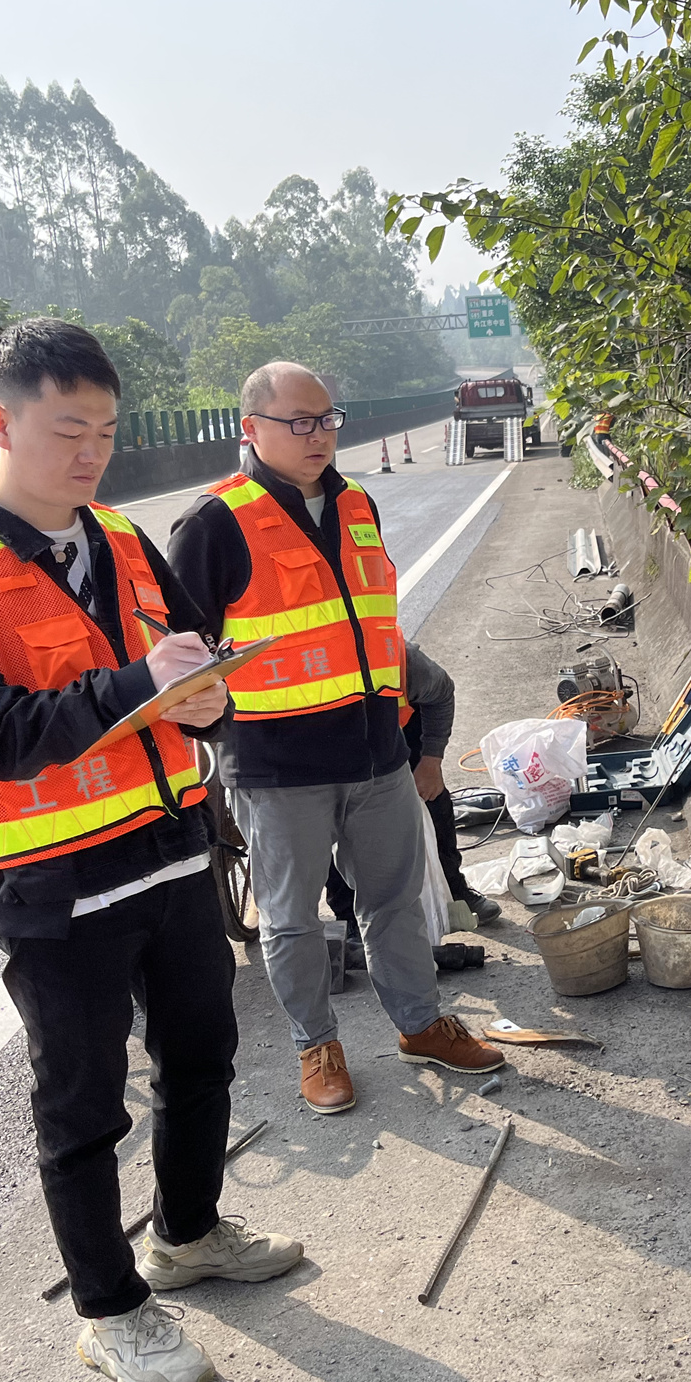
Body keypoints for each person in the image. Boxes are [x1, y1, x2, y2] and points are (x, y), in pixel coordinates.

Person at [0, 319, 303, 1382]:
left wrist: (205, 700)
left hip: (169, 858)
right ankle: (112, 1310)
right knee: (80, 1105)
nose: (90, 452)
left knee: (204, 1059)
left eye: (106, 431)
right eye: (68, 428)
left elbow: (175, 673)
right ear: (1, 424)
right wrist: (136, 688)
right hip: (55, 889)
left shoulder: (122, 540)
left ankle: (190, 1233)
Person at [167, 361, 504, 1118]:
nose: (318, 435)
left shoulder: (357, 504)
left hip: (375, 752)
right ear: (250, 429)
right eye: (298, 422)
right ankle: (315, 1047)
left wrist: (408, 740)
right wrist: (223, 744)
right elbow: (179, 657)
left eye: (327, 419)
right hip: (278, 766)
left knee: (392, 905)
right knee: (291, 918)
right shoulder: (215, 522)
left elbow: (372, 628)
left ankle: (420, 1024)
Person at [328, 640, 500, 968]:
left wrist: (431, 761)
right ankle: (348, 916)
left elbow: (441, 691)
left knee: (430, 798)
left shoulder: (395, 656)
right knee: (327, 824)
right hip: (322, 749)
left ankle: (454, 890)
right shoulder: (299, 680)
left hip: (397, 727)